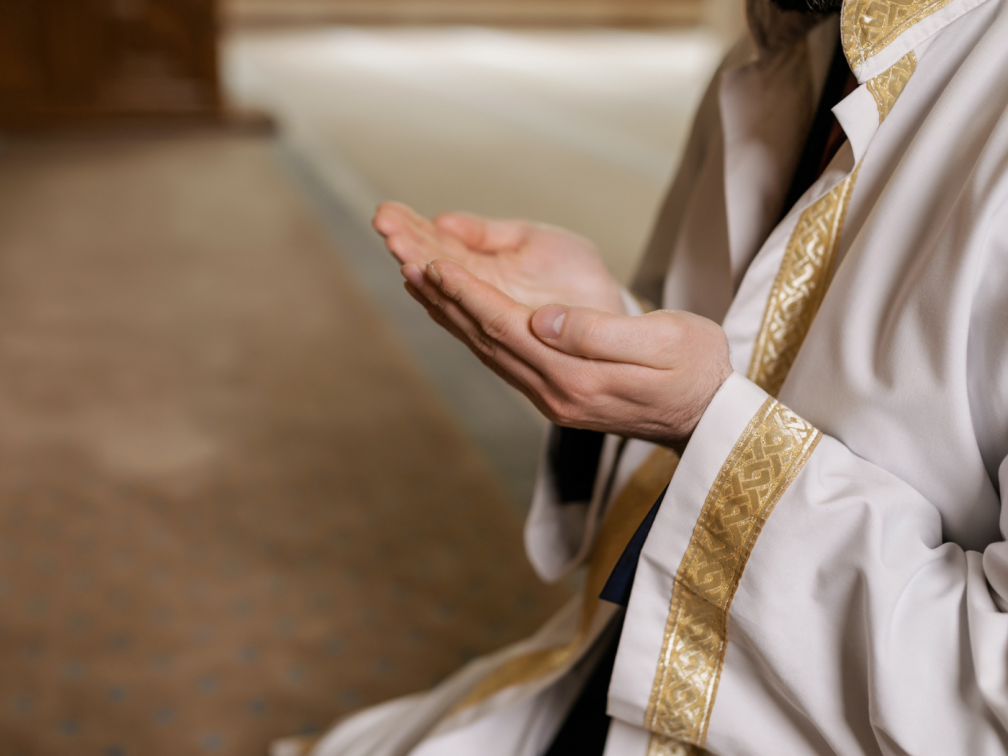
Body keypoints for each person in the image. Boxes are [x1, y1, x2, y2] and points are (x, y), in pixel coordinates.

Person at [274, 0, 1008, 750]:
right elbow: (730, 353)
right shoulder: (785, 44)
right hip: (626, 662)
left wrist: (704, 423)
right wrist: (607, 327)